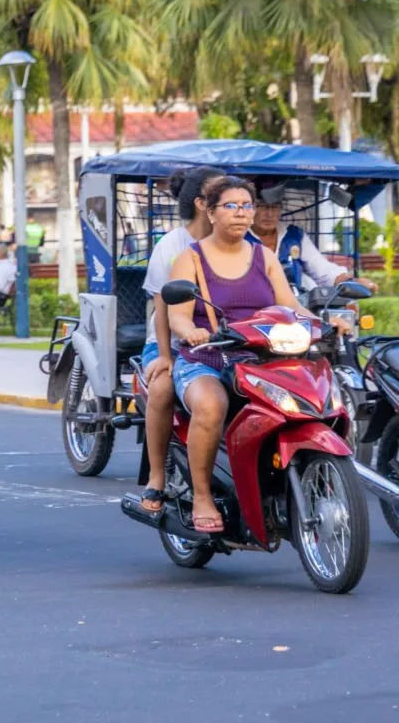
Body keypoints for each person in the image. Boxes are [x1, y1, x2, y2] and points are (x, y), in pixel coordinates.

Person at [165, 177, 347, 533]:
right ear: (211, 211)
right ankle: (202, 495)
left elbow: (289, 305)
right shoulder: (190, 259)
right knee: (211, 406)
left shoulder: (264, 256)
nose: (242, 214)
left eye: (247, 206)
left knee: (314, 398)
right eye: (231, 206)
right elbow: (178, 317)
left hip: (261, 359)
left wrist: (326, 322)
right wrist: (193, 332)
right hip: (206, 359)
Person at [137, 166, 224, 515]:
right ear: (203, 203)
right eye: (224, 198)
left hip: (223, 344)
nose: (236, 209)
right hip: (171, 342)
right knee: (162, 388)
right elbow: (162, 306)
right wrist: (165, 355)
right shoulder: (172, 245)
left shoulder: (242, 243)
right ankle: (157, 476)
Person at [249, 181, 377, 293]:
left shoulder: (294, 235)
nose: (269, 213)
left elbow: (323, 270)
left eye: (274, 207)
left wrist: (352, 281)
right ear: (250, 208)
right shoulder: (240, 237)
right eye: (262, 206)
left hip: (294, 305)